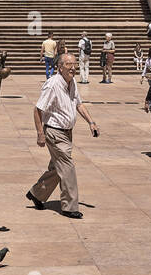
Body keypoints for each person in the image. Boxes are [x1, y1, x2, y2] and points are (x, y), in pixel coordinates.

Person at [27, 54, 99, 219]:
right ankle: (69, 206)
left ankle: (36, 193)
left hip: (67, 133)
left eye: (74, 64)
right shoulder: (52, 84)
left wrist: (91, 122)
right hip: (54, 132)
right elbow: (37, 109)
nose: (73, 67)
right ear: (60, 67)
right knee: (67, 168)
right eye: (68, 64)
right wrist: (40, 134)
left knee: (57, 168)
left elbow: (78, 104)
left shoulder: (71, 81)